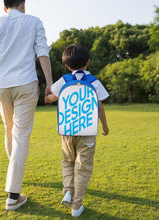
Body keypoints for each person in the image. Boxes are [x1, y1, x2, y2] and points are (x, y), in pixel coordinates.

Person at [0, 0, 53, 211]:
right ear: (23, 4)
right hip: (26, 84)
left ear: (5, 7)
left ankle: (15, 175)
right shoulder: (34, 21)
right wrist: (49, 83)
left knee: (10, 132)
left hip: (1, 86)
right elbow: (42, 53)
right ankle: (13, 195)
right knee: (19, 135)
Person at [45, 44, 109, 217]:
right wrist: (104, 125)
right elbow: (100, 105)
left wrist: (48, 98)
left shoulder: (65, 80)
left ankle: (68, 190)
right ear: (88, 62)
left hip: (67, 132)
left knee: (68, 162)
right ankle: (76, 205)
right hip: (87, 132)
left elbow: (53, 96)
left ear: (67, 65)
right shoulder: (94, 81)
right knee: (83, 167)